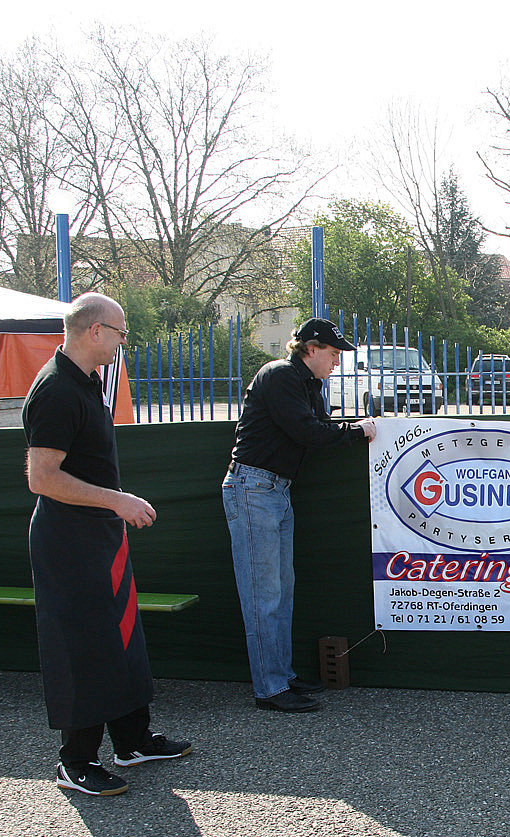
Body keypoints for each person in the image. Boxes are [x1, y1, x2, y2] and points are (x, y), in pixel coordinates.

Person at [23, 292, 192, 798]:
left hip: (100, 534)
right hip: (68, 540)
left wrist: (112, 506)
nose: (124, 342)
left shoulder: (87, 380)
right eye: (121, 332)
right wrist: (117, 500)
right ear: (95, 331)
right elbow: (42, 478)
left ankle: (132, 740)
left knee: (120, 636)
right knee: (84, 644)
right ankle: (75, 761)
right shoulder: (56, 389)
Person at [223, 318, 377, 713]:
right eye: (333, 353)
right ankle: (270, 688)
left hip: (274, 489)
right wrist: (357, 432)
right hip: (254, 487)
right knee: (264, 594)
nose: (337, 362)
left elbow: (317, 427)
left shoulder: (308, 384)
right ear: (310, 349)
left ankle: (281, 676)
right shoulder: (280, 375)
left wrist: (351, 430)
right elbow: (308, 432)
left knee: (281, 591)